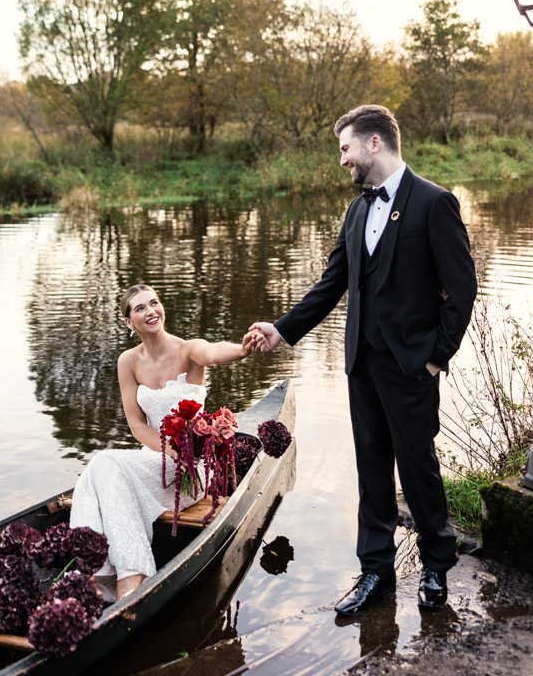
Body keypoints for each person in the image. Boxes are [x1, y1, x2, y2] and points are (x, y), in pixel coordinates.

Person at [250, 104, 477, 615]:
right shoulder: (356, 211)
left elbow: (463, 290)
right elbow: (332, 284)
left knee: (418, 468)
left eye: (345, 148)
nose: (342, 160)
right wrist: (282, 329)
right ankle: (376, 571)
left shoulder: (434, 203)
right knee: (372, 470)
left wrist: (436, 358)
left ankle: (437, 564)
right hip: (362, 365)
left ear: (374, 143)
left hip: (411, 365)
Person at [70, 283, 254, 600]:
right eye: (140, 308)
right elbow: (136, 424)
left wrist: (242, 349)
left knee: (100, 466)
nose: (151, 311)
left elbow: (213, 350)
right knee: (98, 473)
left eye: (154, 303)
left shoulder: (188, 350)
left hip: (190, 470)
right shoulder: (127, 362)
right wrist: (166, 448)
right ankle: (115, 571)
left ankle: (111, 574)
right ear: (129, 322)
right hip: (156, 460)